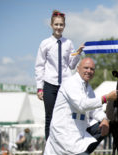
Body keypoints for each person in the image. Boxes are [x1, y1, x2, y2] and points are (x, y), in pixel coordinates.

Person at [43, 57, 118, 155]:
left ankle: (79, 154)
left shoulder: (87, 87)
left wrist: (104, 119)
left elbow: (94, 110)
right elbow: (82, 105)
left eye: (92, 69)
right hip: (65, 132)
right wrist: (106, 98)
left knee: (106, 126)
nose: (89, 71)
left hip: (78, 131)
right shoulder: (70, 83)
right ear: (78, 69)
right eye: (86, 68)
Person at [35, 10, 84, 140]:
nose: (58, 27)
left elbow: (72, 65)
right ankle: (48, 150)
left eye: (61, 25)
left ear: (64, 26)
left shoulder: (68, 43)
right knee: (50, 117)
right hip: (49, 85)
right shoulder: (45, 43)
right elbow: (39, 67)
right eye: (56, 24)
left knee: (65, 117)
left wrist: (78, 53)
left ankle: (64, 147)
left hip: (65, 85)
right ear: (51, 25)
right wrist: (40, 88)